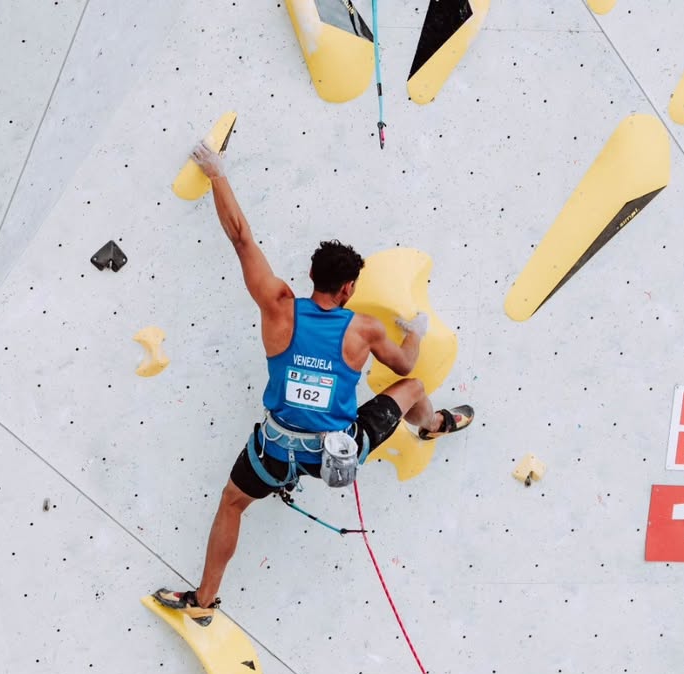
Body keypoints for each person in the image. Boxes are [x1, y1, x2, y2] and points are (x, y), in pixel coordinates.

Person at [153, 142, 473, 626]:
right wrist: (413, 332)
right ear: (348, 289)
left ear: (310, 277)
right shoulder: (363, 329)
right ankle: (430, 426)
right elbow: (407, 366)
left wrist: (217, 173)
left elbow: (241, 239)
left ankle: (204, 600)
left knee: (233, 502)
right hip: (335, 457)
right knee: (413, 389)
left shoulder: (279, 306)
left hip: (274, 451)